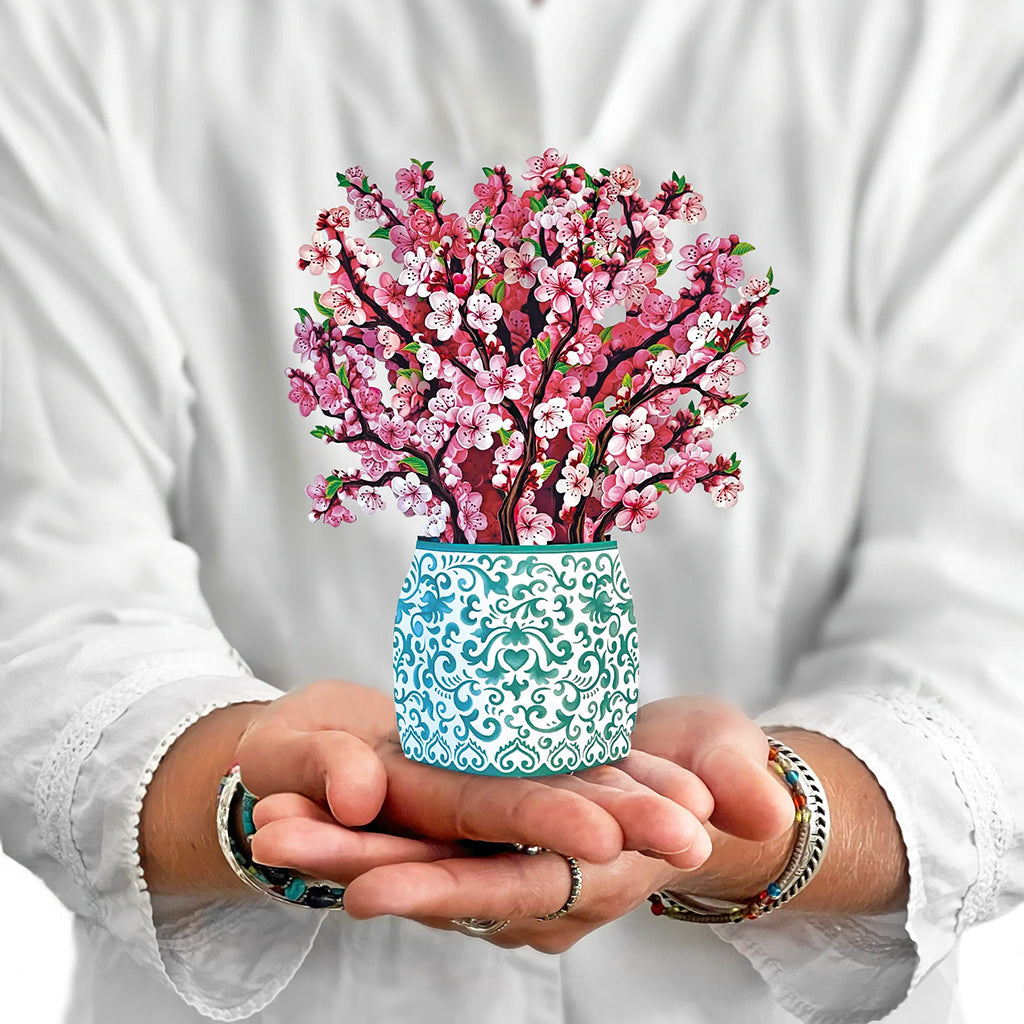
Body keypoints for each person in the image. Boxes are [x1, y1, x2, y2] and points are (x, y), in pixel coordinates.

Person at [0, 1, 1021, 1021]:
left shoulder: (945, 35)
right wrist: (242, 799)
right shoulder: (86, 28)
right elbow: (43, 584)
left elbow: (989, 608)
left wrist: (784, 820)